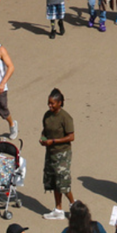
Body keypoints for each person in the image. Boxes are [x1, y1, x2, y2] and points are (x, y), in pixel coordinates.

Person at [40, 88, 75, 220]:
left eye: (52, 103)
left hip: (62, 154)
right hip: (50, 153)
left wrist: (54, 141)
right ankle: (58, 210)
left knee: (63, 182)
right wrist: (43, 138)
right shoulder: (47, 116)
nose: (50, 105)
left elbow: (71, 137)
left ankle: (73, 205)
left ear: (60, 103)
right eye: (49, 103)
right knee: (53, 181)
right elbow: (45, 130)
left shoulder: (65, 117)